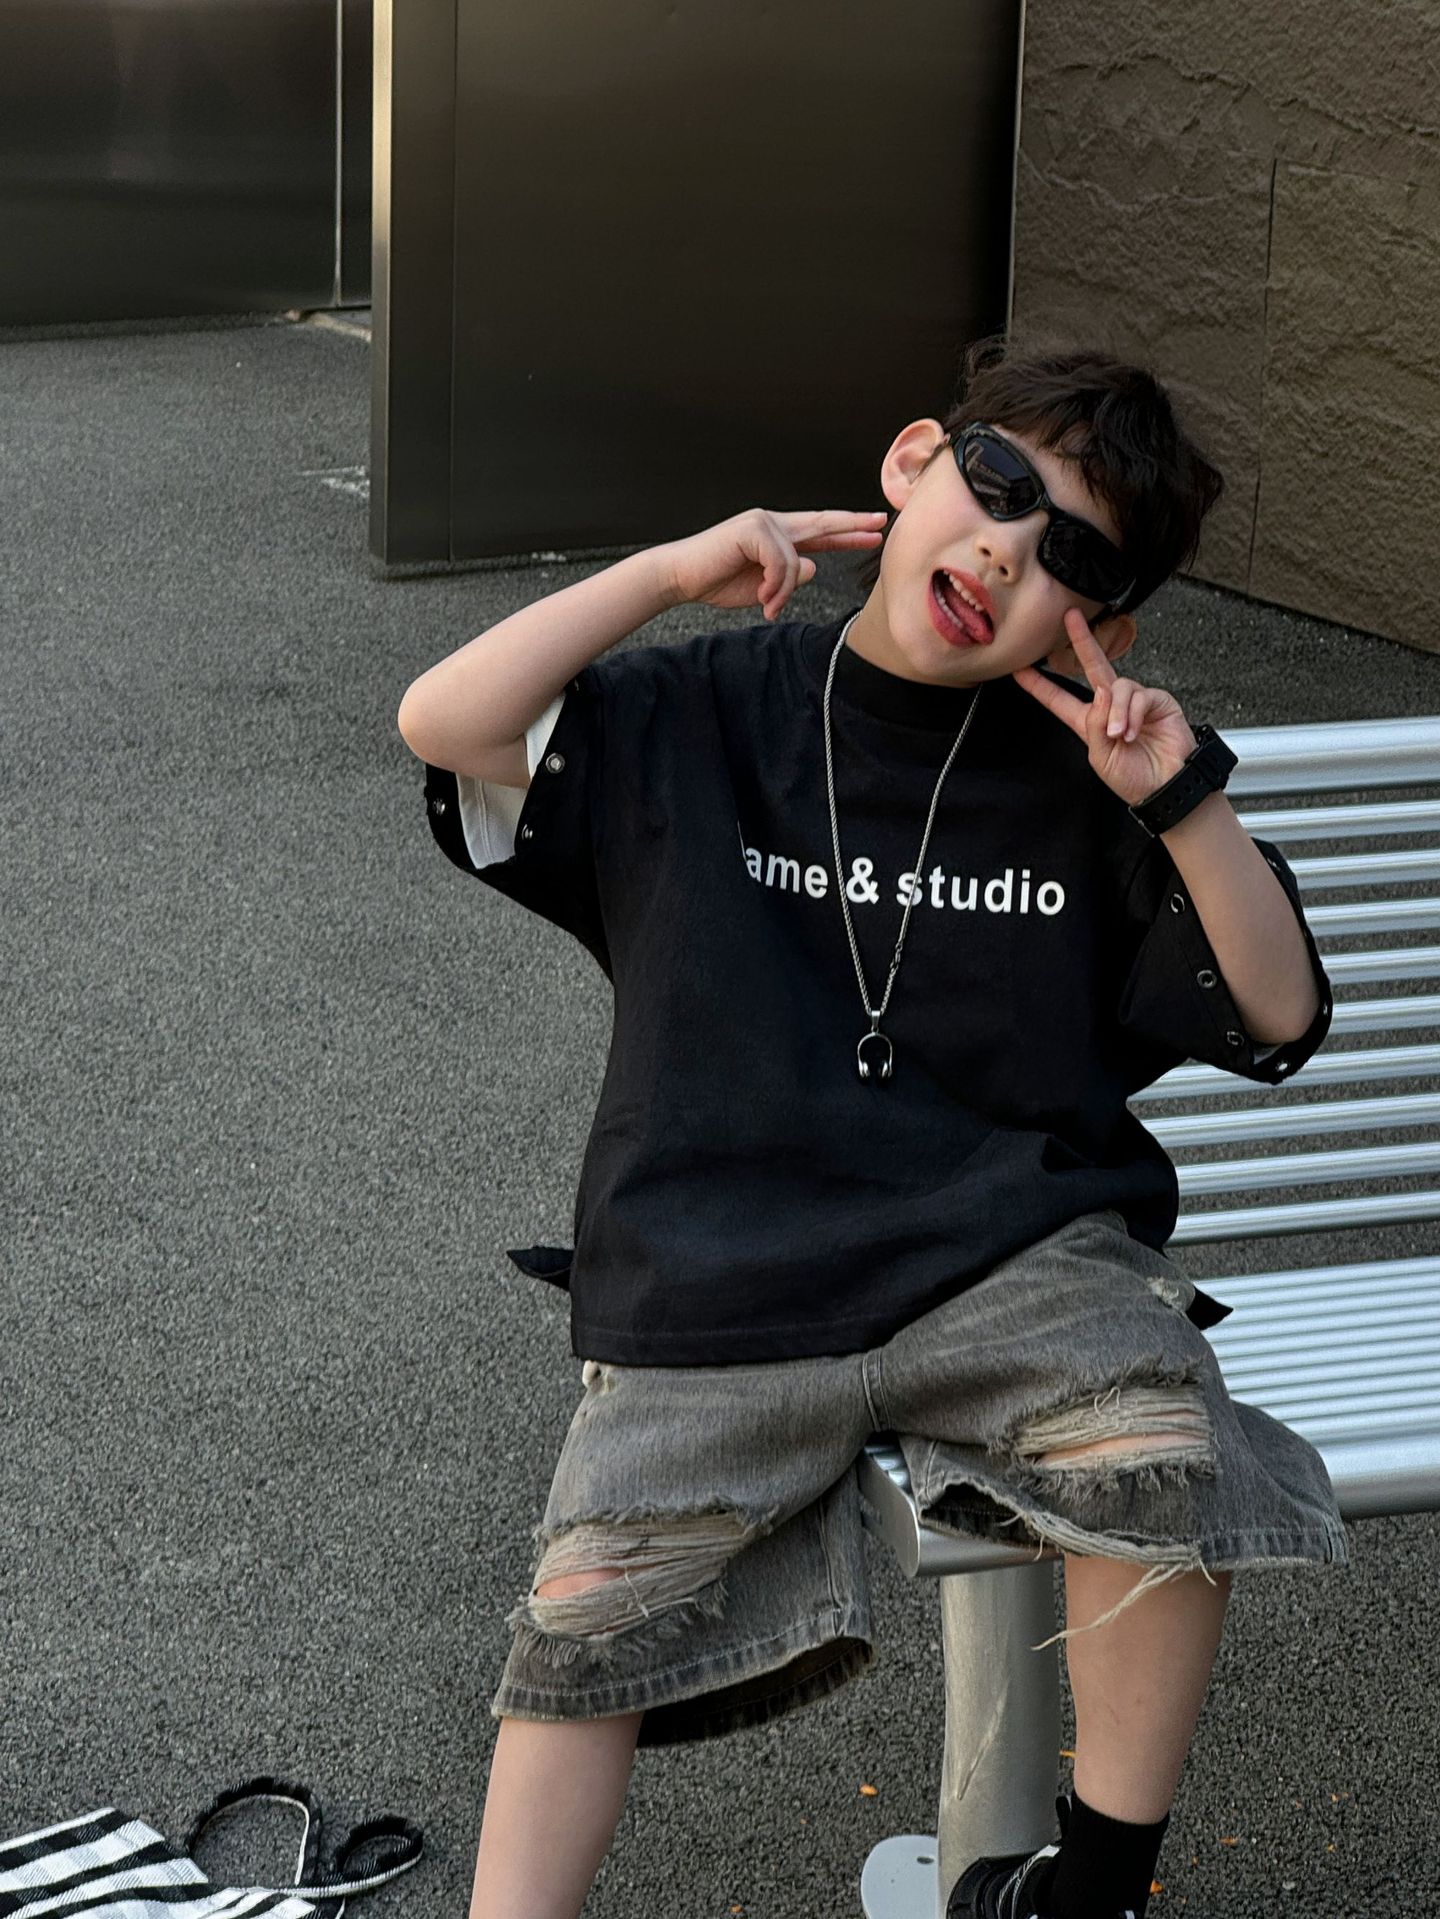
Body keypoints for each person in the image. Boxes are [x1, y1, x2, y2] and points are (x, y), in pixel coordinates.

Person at [397, 333, 1345, 1919]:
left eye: (1073, 561)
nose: (1008, 551)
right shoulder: (712, 705)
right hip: (720, 1268)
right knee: (584, 1610)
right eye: (995, 486)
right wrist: (670, 572)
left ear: (1099, 629)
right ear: (912, 464)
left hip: (1004, 1256)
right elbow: (447, 722)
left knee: (1158, 1443)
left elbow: (1278, 1010)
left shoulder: (1089, 777)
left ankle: (1091, 1893)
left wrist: (1179, 800)